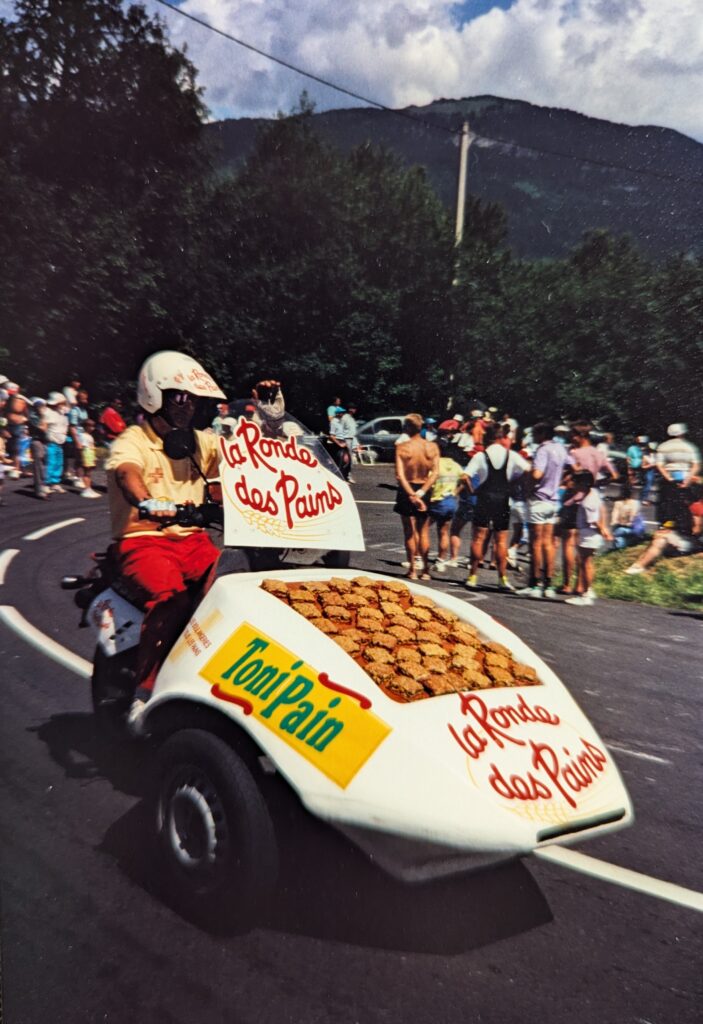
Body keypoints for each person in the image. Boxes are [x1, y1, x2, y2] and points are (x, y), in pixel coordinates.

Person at [105, 351, 271, 735]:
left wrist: (267, 414)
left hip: (192, 540)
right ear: (154, 395)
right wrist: (147, 501)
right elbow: (127, 472)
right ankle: (142, 694)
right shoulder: (133, 441)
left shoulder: (198, 441)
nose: (187, 405)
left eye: (192, 398)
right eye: (178, 396)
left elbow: (247, 455)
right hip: (143, 539)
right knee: (172, 599)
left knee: (235, 590)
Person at [463, 422, 530, 591]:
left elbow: (464, 476)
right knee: (501, 541)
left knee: (478, 538)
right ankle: (502, 578)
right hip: (502, 499)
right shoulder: (511, 455)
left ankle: (472, 576)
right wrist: (515, 482)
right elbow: (529, 470)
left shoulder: (480, 456)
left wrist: (472, 491)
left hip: (484, 498)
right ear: (501, 437)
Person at [518, 422, 572, 599]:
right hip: (553, 499)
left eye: (535, 434)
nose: (533, 437)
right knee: (549, 543)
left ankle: (535, 583)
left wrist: (527, 475)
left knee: (536, 543)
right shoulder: (561, 448)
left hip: (539, 498)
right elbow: (574, 467)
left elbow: (537, 474)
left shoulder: (542, 450)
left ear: (542, 434)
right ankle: (548, 584)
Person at [393, 414, 439, 580]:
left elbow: (400, 475)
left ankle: (412, 569)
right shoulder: (432, 447)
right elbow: (435, 473)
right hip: (424, 489)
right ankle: (425, 570)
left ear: (407, 428)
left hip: (407, 489)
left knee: (409, 532)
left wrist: (412, 495)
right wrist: (421, 493)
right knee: (424, 531)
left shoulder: (402, 447)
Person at [565, 471, 613, 607]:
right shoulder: (593, 494)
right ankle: (589, 590)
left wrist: (603, 531)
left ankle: (585, 594)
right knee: (587, 563)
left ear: (584, 484)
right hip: (591, 534)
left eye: (576, 482)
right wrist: (604, 529)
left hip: (588, 534)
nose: (573, 485)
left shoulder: (587, 502)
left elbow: (594, 521)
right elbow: (602, 510)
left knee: (585, 563)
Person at [429, 424, 463, 572]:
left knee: (422, 530)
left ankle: (417, 558)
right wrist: (456, 491)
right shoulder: (454, 464)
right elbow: (464, 479)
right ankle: (441, 561)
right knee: (443, 532)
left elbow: (429, 483)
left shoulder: (435, 465)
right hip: (450, 501)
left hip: (437, 501)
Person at [655, 423, 700, 526]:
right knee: (684, 505)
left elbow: (659, 465)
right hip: (685, 478)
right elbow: (696, 465)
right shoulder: (690, 447)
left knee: (667, 505)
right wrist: (687, 480)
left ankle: (666, 526)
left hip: (668, 479)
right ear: (683, 433)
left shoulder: (663, 446)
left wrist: (669, 478)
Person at [42, 392, 69, 492]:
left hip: (60, 442)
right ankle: (46, 483)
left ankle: (55, 482)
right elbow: (44, 426)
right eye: (61, 403)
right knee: (51, 463)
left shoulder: (62, 413)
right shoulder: (48, 412)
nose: (63, 405)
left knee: (59, 463)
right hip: (51, 443)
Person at [610, 480, 645, 549]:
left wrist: (617, 522)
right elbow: (633, 517)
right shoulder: (636, 503)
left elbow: (614, 519)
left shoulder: (618, 503)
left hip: (624, 528)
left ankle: (618, 549)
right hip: (633, 529)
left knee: (618, 533)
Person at [78, 419, 100, 498]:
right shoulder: (82, 436)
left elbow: (92, 446)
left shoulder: (90, 436)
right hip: (86, 453)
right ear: (85, 427)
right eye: (90, 426)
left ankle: (89, 488)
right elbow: (82, 448)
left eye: (93, 426)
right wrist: (83, 458)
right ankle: (86, 489)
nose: (92, 428)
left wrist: (94, 456)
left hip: (91, 453)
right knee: (86, 472)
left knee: (89, 473)